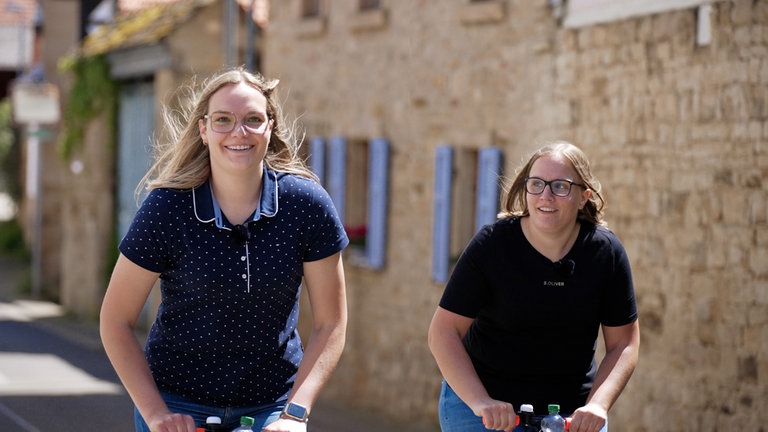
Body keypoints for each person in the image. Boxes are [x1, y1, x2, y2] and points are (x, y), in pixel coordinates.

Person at [100, 67, 349, 432]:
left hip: (271, 407)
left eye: (252, 119)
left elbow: (331, 323)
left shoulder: (307, 205)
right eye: (223, 120)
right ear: (203, 129)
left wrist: (295, 414)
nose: (239, 132)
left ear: (270, 126)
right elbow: (115, 321)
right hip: (177, 405)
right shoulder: (166, 209)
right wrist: (156, 414)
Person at [428, 141, 640, 432]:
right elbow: (443, 332)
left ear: (583, 197)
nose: (546, 196)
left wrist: (597, 405)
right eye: (536, 184)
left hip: (570, 417)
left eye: (560, 186)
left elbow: (624, 344)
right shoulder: (492, 246)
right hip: (483, 409)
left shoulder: (605, 253)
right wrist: (481, 402)